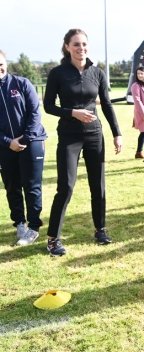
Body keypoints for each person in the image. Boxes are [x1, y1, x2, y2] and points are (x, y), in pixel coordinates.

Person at [43, 29, 123, 256]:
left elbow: (106, 104)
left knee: (98, 185)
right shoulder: (58, 73)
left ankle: (100, 229)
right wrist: (72, 113)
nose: (81, 48)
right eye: (76, 44)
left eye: (84, 44)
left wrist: (117, 132)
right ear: (67, 46)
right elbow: (49, 106)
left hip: (94, 135)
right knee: (66, 186)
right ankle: (53, 239)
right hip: (69, 135)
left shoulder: (96, 72)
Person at [0, 50, 47, 246]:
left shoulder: (22, 83)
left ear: (6, 63)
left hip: (32, 142)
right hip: (5, 146)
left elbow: (35, 113)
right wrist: (8, 141)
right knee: (12, 186)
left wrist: (24, 139)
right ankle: (20, 223)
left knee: (31, 186)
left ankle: (34, 227)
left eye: (0, 63)